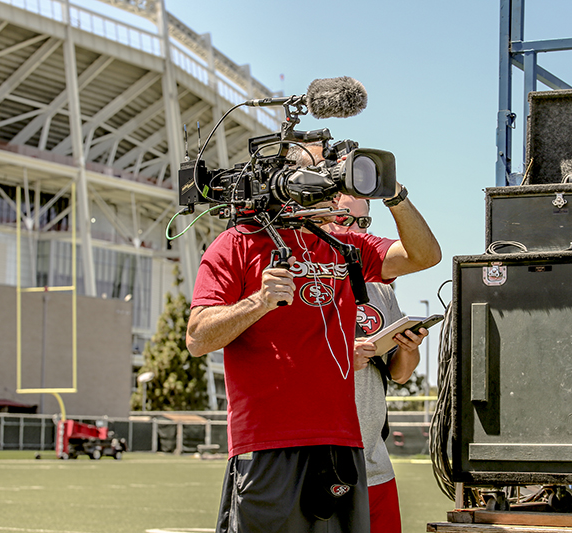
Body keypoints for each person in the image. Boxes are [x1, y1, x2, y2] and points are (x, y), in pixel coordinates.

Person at [185, 142, 441, 533]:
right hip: (268, 444)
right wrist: (259, 303)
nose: (333, 186)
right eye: (323, 174)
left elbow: (424, 256)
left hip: (341, 443)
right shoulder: (236, 243)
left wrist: (394, 194)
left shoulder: (342, 245)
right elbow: (198, 338)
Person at [331, 194, 426, 533]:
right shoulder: (300, 278)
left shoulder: (380, 288)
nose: (355, 230)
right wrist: (341, 355)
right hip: (317, 463)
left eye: (362, 222)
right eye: (345, 219)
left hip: (374, 462)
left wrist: (410, 348)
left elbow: (400, 373)